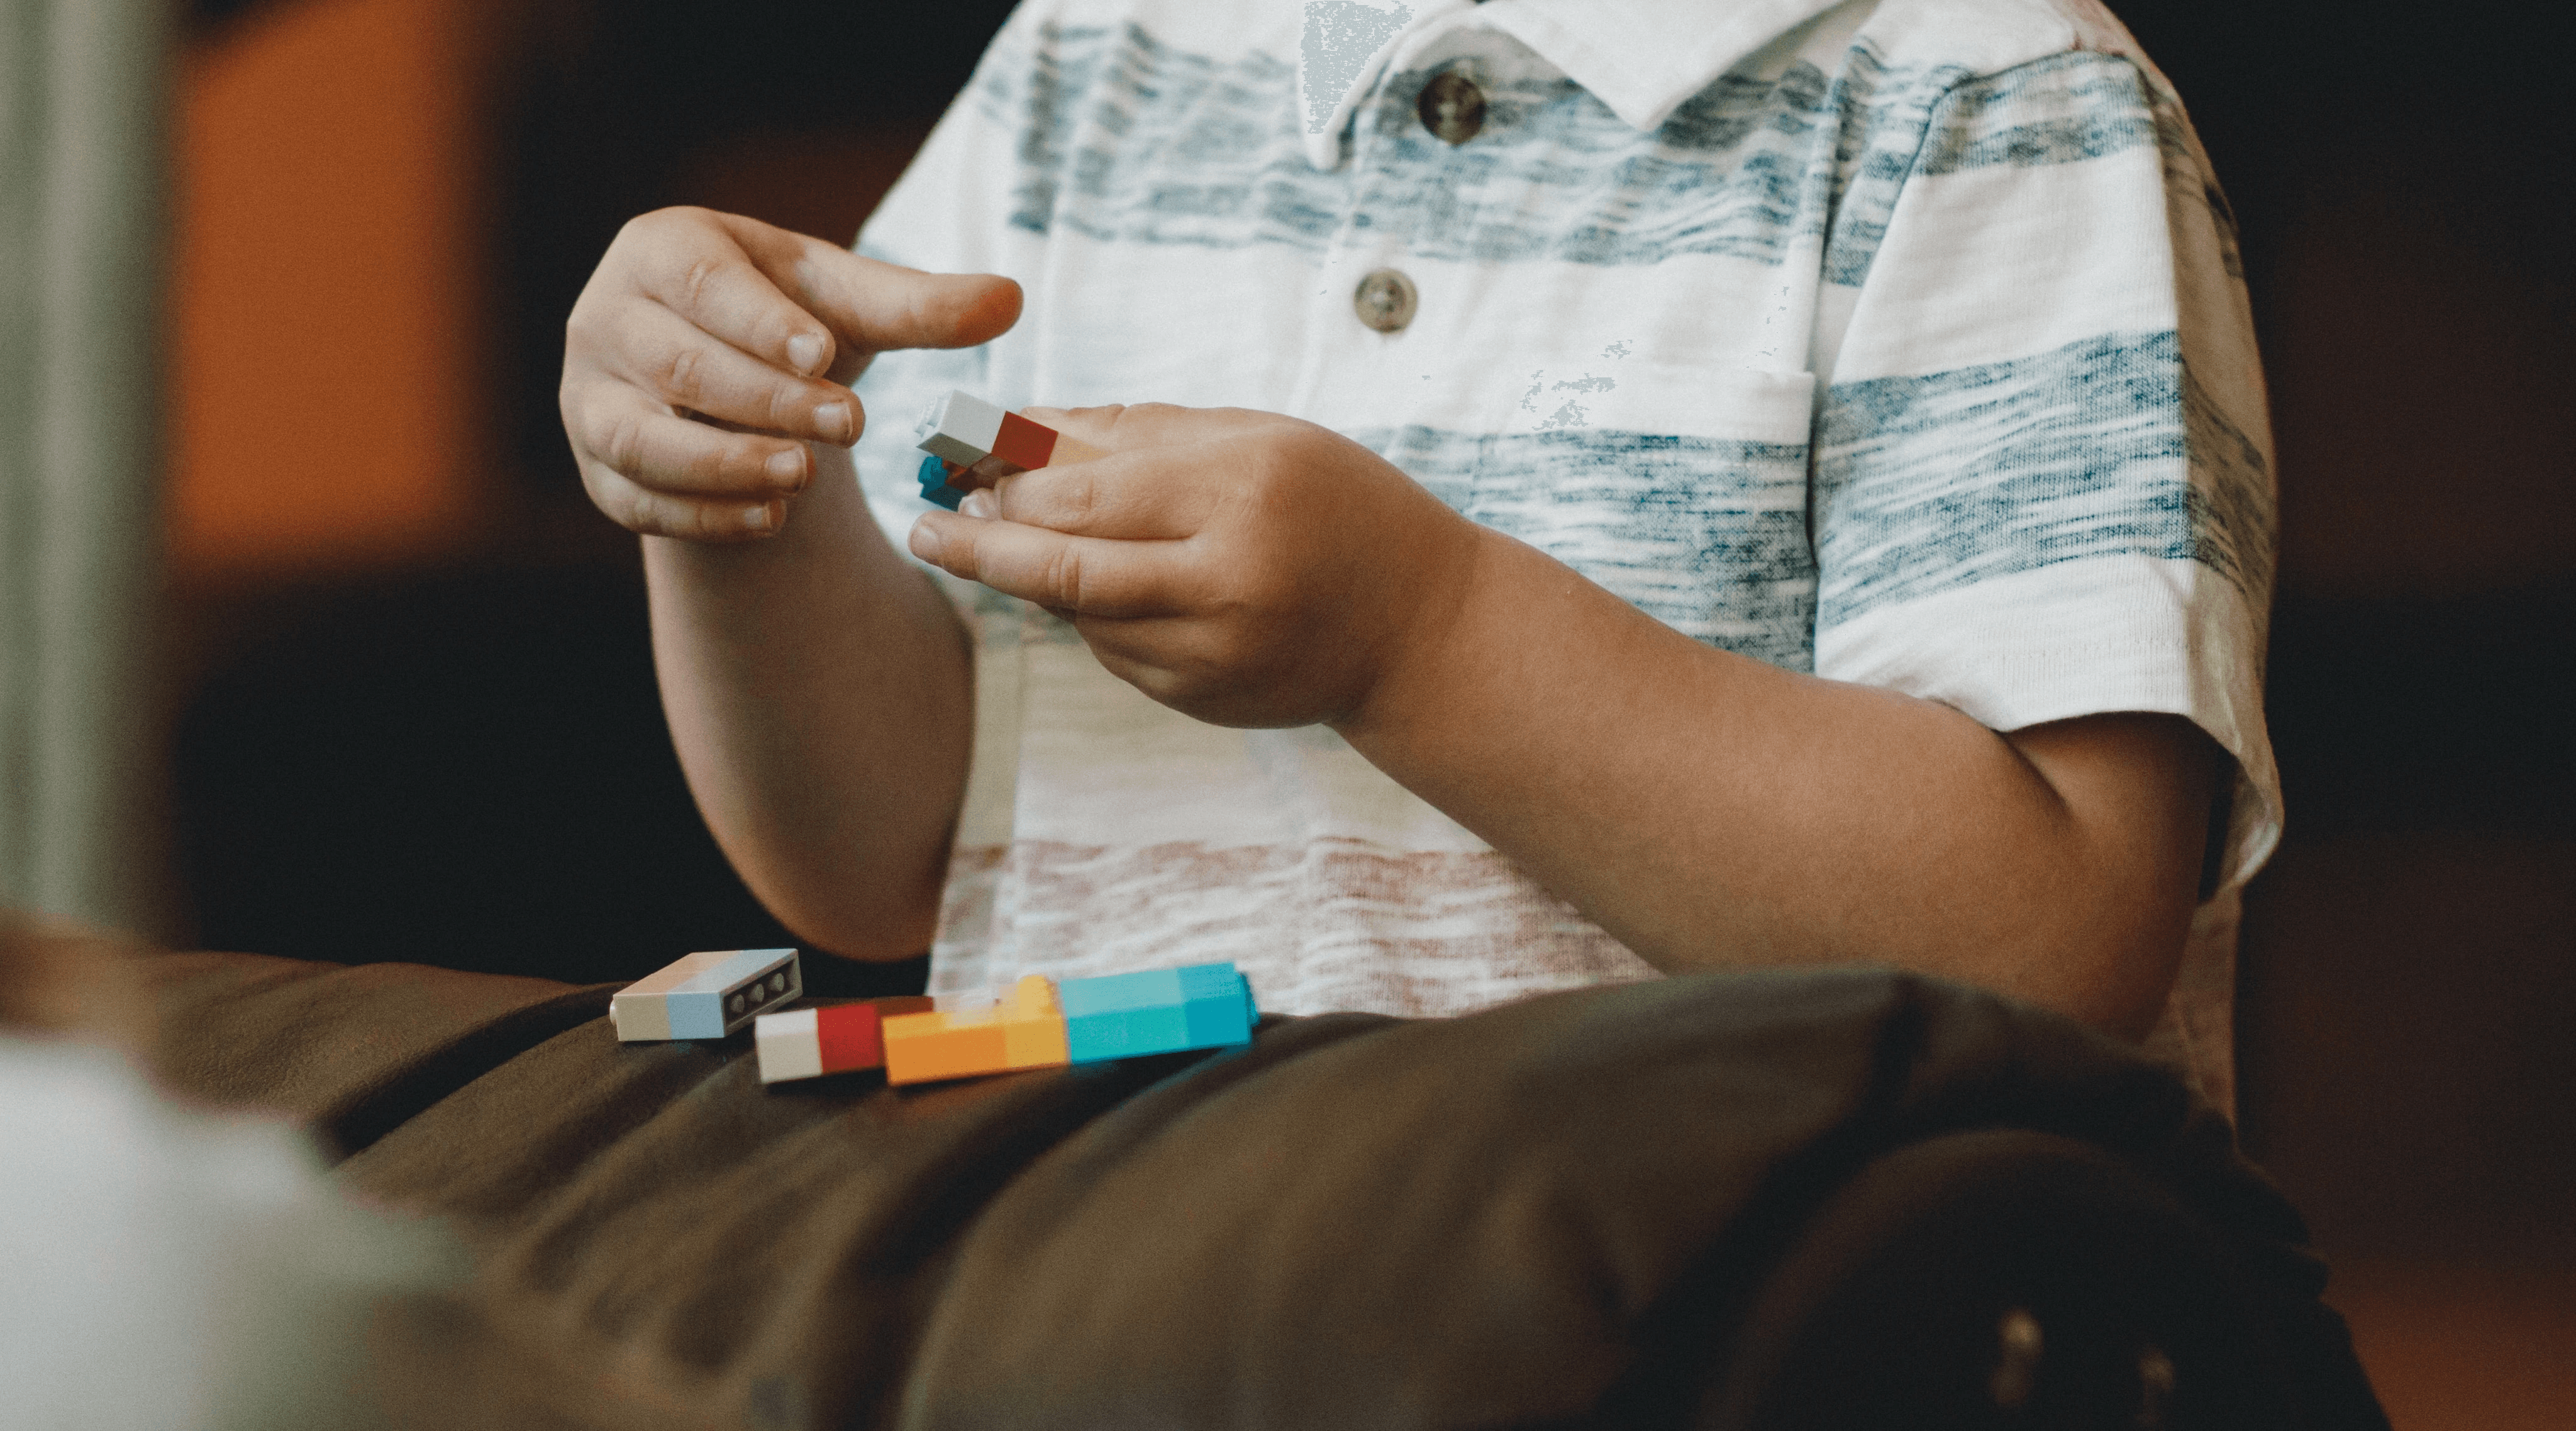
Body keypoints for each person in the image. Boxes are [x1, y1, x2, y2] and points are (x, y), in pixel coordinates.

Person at [557, 0, 2278, 1106]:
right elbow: (884, 856)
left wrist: (1423, 636)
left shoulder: (1996, 97)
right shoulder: (1097, 57)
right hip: (1103, 1304)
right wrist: (740, 494)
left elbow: (2056, 942)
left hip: (1762, 1326)